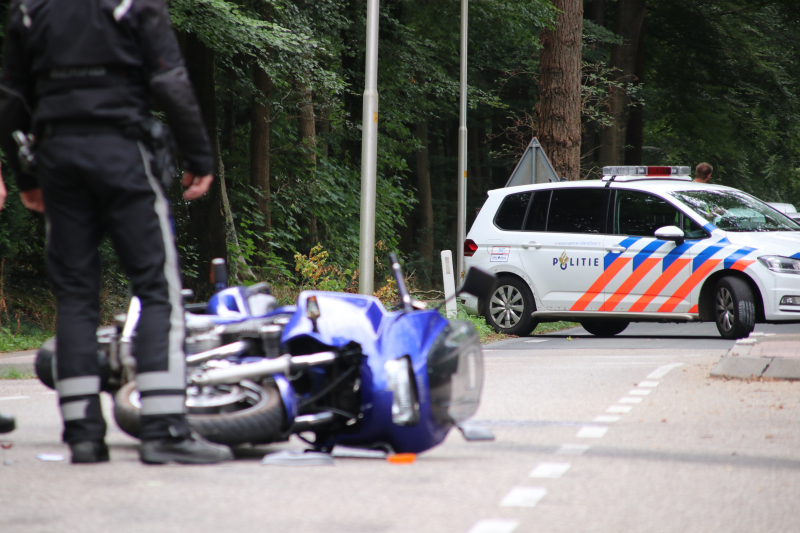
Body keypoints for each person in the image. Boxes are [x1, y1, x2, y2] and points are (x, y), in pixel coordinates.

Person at [0, 0, 232, 464]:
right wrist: (200, 157)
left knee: (75, 296)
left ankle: (83, 436)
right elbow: (170, 80)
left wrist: (27, 179)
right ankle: (164, 429)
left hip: (59, 160)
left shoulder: (29, 10)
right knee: (157, 289)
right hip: (123, 151)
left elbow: (12, 98)